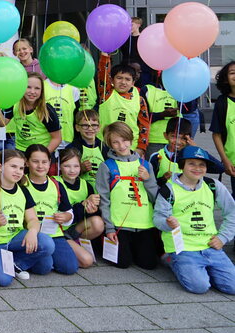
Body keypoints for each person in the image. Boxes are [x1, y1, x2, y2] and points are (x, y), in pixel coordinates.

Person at [154, 146, 235, 295]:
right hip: (183, 248)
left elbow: (232, 212)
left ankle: (202, 269)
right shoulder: (168, 190)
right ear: (182, 165)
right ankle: (172, 260)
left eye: (202, 165)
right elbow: (157, 219)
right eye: (191, 163)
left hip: (211, 245)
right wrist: (167, 223)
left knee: (233, 287)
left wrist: (223, 238)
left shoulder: (212, 185)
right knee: (199, 287)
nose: (197, 168)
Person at [0, 149, 55, 286]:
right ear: (0, 167)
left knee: (46, 253)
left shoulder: (23, 190)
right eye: (13, 166)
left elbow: (33, 219)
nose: (18, 171)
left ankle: (15, 263)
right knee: (4, 280)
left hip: (14, 238)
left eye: (21, 168)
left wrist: (32, 232)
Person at [96, 122, 160, 270]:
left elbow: (155, 197)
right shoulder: (106, 166)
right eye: (115, 142)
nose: (121, 145)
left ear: (131, 140)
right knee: (122, 263)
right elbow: (104, 200)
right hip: (120, 225)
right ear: (110, 144)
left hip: (144, 225)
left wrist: (148, 179)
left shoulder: (145, 164)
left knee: (148, 264)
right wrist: (110, 228)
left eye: (124, 140)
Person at [24, 144, 80, 274]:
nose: (40, 166)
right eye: (35, 161)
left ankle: (51, 258)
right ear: (26, 163)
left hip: (54, 233)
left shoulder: (56, 184)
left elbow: (68, 212)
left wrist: (66, 217)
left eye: (44, 162)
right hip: (31, 234)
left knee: (70, 268)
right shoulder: (22, 184)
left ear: (50, 163)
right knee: (43, 268)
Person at [55, 147, 103, 268]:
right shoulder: (54, 183)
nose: (72, 170)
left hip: (75, 229)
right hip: (59, 230)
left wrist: (92, 210)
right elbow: (60, 213)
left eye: (76, 166)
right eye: (67, 166)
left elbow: (89, 215)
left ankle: (76, 244)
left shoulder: (85, 184)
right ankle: (68, 248)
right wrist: (82, 205)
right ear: (59, 166)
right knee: (87, 261)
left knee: (98, 222)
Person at [0, 73, 62, 155]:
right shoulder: (15, 103)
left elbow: (57, 138)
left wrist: (43, 155)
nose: (32, 92)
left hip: (41, 151)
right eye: (28, 87)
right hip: (20, 151)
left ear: (41, 91)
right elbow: (2, 123)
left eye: (37, 88)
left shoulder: (47, 110)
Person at [97, 54, 151, 156]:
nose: (123, 82)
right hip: (106, 145)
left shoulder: (139, 100)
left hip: (130, 147)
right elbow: (102, 75)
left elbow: (144, 126)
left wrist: (141, 148)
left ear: (133, 82)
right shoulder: (106, 93)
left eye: (127, 79)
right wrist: (105, 57)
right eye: (119, 78)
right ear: (112, 80)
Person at [210, 61, 235, 192]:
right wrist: (225, 161)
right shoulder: (222, 102)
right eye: (232, 73)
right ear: (226, 79)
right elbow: (216, 134)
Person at [142, 77, 178, 157]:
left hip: (176, 139)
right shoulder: (147, 89)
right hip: (154, 139)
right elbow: (142, 117)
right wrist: (162, 115)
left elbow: (189, 110)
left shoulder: (179, 88)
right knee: (155, 167)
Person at [150, 117, 192, 183]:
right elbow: (150, 183)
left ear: (189, 139)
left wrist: (196, 148)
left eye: (183, 138)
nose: (178, 142)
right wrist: (163, 179)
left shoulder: (191, 157)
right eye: (173, 136)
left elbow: (214, 168)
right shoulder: (157, 157)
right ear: (166, 135)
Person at [69, 109, 107, 183]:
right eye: (85, 125)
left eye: (94, 125)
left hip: (102, 192)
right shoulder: (71, 148)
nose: (90, 129)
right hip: (80, 191)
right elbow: (65, 173)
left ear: (99, 127)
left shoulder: (106, 148)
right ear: (77, 127)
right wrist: (80, 169)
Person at [44, 77, 80, 146]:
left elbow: (76, 114)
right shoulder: (42, 86)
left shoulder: (74, 89)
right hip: (46, 140)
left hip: (67, 139)